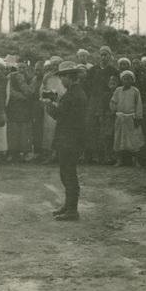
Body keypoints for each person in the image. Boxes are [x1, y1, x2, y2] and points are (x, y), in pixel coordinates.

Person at [44, 61, 87, 222]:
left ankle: (72, 210)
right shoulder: (75, 93)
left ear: (70, 77)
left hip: (69, 140)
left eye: (63, 78)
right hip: (71, 139)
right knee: (67, 174)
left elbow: (60, 115)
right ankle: (68, 206)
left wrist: (49, 105)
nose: (61, 81)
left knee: (68, 174)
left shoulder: (72, 95)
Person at [85, 46, 118, 164]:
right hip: (93, 102)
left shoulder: (113, 71)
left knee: (105, 128)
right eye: (102, 55)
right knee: (92, 127)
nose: (103, 57)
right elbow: (87, 86)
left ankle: (106, 155)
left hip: (106, 102)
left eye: (106, 55)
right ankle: (93, 155)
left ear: (110, 56)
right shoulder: (93, 70)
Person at [110, 70, 144, 167]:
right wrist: (114, 111)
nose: (126, 81)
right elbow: (113, 101)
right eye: (124, 79)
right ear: (122, 80)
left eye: (129, 79)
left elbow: (139, 104)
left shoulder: (135, 91)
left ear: (132, 80)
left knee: (134, 140)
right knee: (119, 139)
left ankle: (136, 160)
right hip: (120, 118)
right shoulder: (118, 90)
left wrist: (138, 117)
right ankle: (119, 160)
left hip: (131, 118)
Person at [6, 70, 33, 163]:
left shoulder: (25, 83)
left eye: (21, 79)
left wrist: (23, 94)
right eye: (18, 79)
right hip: (13, 112)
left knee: (24, 133)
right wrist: (22, 96)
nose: (20, 81)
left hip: (24, 112)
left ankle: (24, 153)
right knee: (13, 133)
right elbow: (11, 94)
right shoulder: (10, 84)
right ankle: (13, 153)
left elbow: (29, 92)